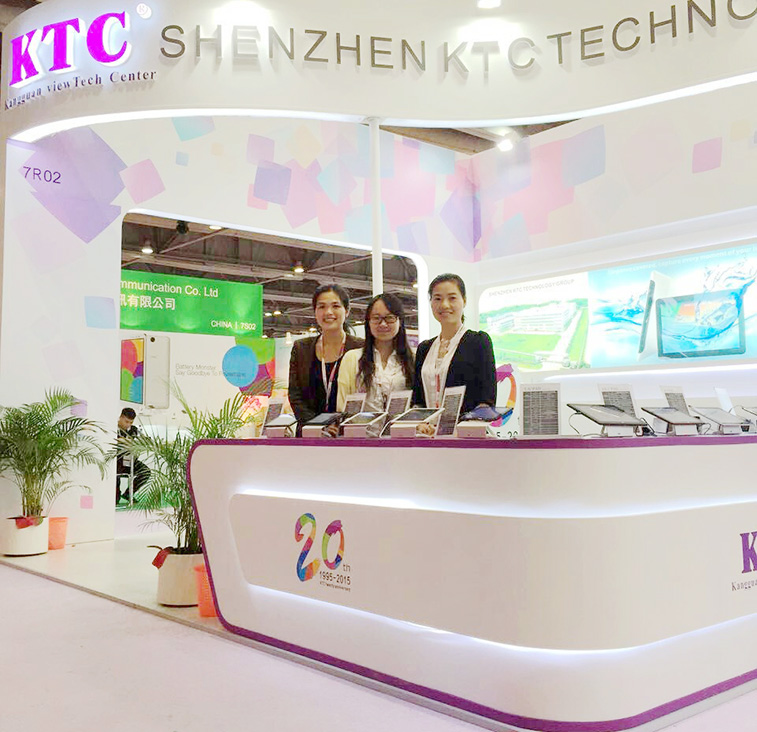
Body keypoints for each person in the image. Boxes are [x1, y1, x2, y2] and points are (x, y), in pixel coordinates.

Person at [412, 273, 496, 423]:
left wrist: (465, 426)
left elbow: (487, 399)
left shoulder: (478, 341)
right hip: (427, 433)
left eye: (452, 298)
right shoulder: (424, 349)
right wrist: (420, 423)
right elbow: (418, 399)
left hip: (465, 432)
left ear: (464, 301)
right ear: (431, 303)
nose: (444, 305)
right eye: (437, 298)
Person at [288, 284, 363, 434]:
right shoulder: (301, 348)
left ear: (347, 311)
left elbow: (364, 394)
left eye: (335, 306)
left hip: (348, 432)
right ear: (315, 312)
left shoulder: (361, 348)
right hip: (310, 433)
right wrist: (318, 426)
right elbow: (296, 396)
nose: (328, 312)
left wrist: (341, 425)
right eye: (321, 307)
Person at [337, 293, 415, 414]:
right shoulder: (352, 358)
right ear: (368, 322)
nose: (383, 324)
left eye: (389, 317)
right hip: (361, 426)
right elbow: (342, 406)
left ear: (400, 321)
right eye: (376, 318)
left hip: (402, 426)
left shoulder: (413, 359)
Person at [115, 407, 151, 504]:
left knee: (145, 472)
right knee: (115, 501)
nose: (128, 425)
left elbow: (143, 439)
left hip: (129, 461)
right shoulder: (113, 428)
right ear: (120, 417)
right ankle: (117, 495)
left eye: (131, 422)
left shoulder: (134, 430)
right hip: (116, 463)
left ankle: (128, 494)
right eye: (126, 421)